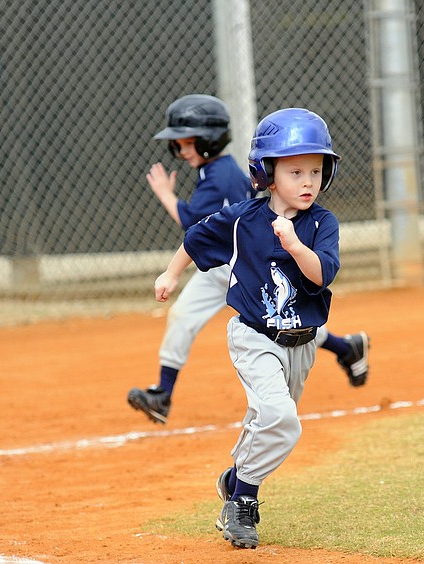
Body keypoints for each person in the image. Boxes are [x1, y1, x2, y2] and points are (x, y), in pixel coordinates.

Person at [154, 107, 343, 548]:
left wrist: (295, 246)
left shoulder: (322, 224)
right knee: (282, 419)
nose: (308, 182)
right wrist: (170, 275)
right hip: (255, 335)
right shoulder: (243, 219)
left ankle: (235, 477)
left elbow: (321, 275)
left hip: (301, 345)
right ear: (267, 174)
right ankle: (243, 503)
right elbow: (195, 238)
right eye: (295, 171)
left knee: (269, 421)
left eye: (316, 170)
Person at [127, 95, 369, 425]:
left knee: (276, 317)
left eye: (188, 142)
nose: (181, 150)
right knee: (190, 315)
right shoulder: (214, 171)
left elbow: (193, 225)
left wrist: (167, 196)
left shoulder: (219, 176)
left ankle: (346, 348)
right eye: (179, 144)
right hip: (221, 264)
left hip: (240, 262)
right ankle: (163, 394)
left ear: (209, 141)